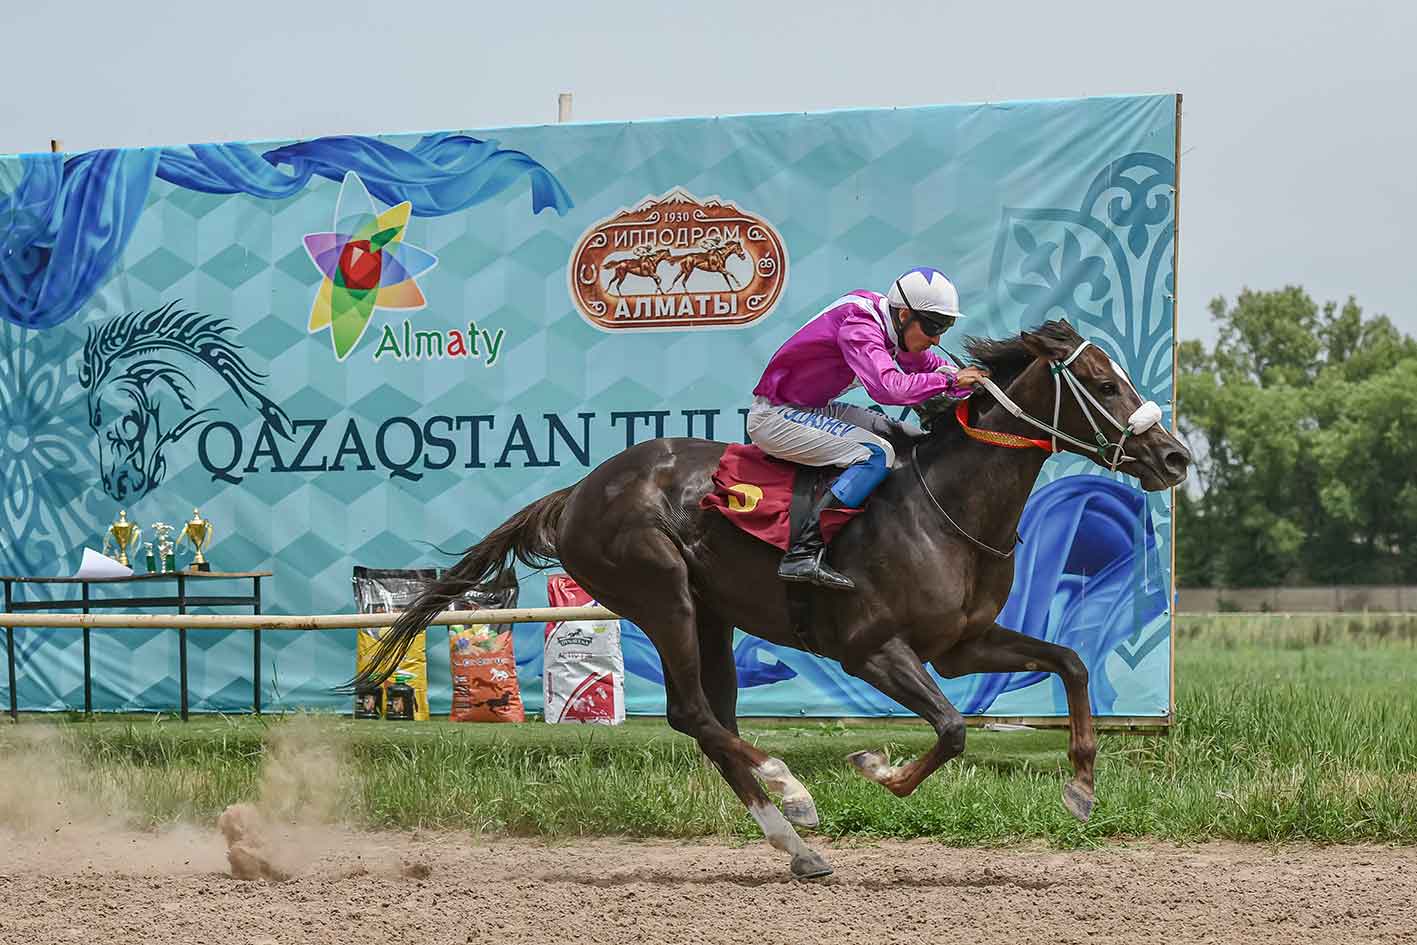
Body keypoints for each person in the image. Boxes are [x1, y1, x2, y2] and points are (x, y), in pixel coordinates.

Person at [747, 267, 988, 590]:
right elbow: (889, 388)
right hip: (776, 416)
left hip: (811, 406)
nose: (936, 339)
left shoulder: (891, 322)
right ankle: (803, 553)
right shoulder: (860, 326)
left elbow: (922, 365)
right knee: (877, 453)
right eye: (933, 326)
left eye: (945, 327)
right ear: (904, 315)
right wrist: (949, 381)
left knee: (905, 438)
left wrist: (970, 381)